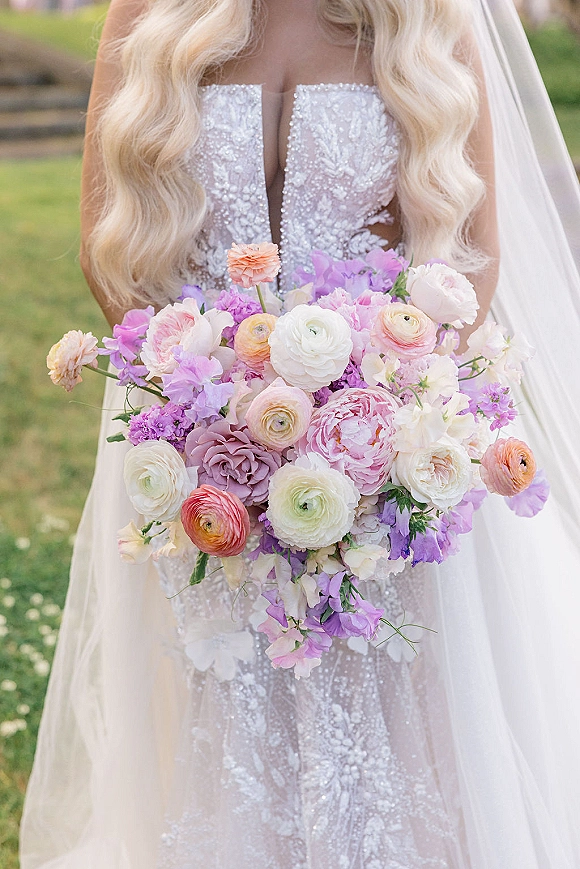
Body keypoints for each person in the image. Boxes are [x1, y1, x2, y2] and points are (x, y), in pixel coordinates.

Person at [19, 0, 580, 866]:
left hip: (387, 480)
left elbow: (470, 259)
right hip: (204, 468)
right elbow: (113, 254)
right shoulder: (146, 16)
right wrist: (210, 422)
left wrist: (374, 428)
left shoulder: (424, 22)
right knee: (228, 726)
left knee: (406, 739)